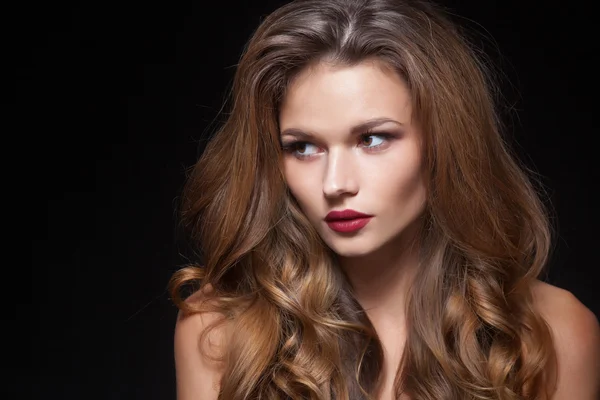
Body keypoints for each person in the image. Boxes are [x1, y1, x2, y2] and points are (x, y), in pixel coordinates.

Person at [168, 0, 600, 399]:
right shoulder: (219, 330)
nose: (335, 183)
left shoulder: (553, 332)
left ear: (445, 143)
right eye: (303, 147)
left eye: (372, 139)